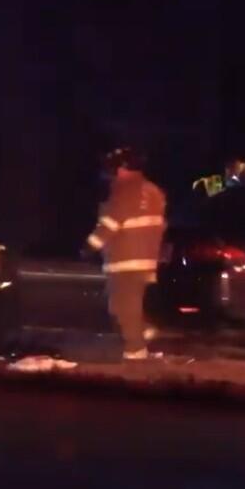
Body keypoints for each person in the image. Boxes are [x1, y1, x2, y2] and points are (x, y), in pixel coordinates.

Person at [84, 147, 168, 360]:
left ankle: (135, 351)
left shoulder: (124, 189)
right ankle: (143, 330)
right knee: (126, 305)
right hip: (146, 259)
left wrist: (90, 246)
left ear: (120, 168)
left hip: (124, 259)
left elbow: (111, 223)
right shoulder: (153, 190)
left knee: (122, 308)